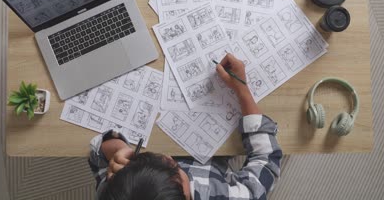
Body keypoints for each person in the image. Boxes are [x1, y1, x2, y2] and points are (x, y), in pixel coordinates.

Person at [88, 53, 282, 200]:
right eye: (174, 169)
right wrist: (242, 89)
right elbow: (267, 162)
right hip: (215, 148)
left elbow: (96, 151)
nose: (169, 158)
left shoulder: (118, 190)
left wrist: (118, 151)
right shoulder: (222, 195)